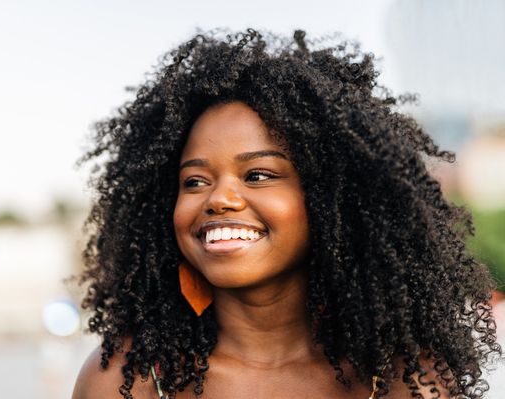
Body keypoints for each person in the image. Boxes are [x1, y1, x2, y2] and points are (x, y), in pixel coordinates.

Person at [72, 28, 501, 398]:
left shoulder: (405, 380)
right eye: (195, 181)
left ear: (331, 198)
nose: (219, 198)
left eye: (258, 175)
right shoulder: (128, 381)